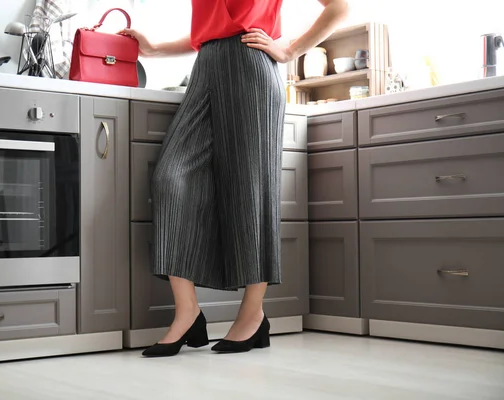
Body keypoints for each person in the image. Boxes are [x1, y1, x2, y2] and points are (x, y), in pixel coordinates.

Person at [120, 0, 348, 357]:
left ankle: (252, 313)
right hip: (205, 69)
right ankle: (188, 312)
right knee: (170, 179)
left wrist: (287, 49)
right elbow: (211, 30)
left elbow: (339, 8)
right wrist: (154, 49)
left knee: (251, 192)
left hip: (252, 68)